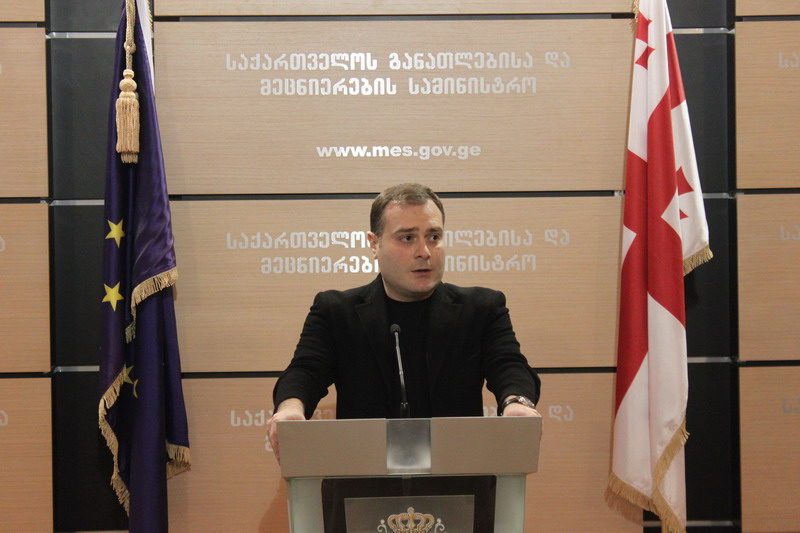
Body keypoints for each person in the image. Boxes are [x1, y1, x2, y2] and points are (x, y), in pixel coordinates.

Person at [268, 183, 541, 462]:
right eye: (407, 238)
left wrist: (516, 402)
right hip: (362, 477)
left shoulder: (482, 308)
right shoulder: (336, 311)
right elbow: (306, 370)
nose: (424, 251)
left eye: (434, 236)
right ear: (374, 244)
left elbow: (508, 365)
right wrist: (290, 408)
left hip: (458, 475)